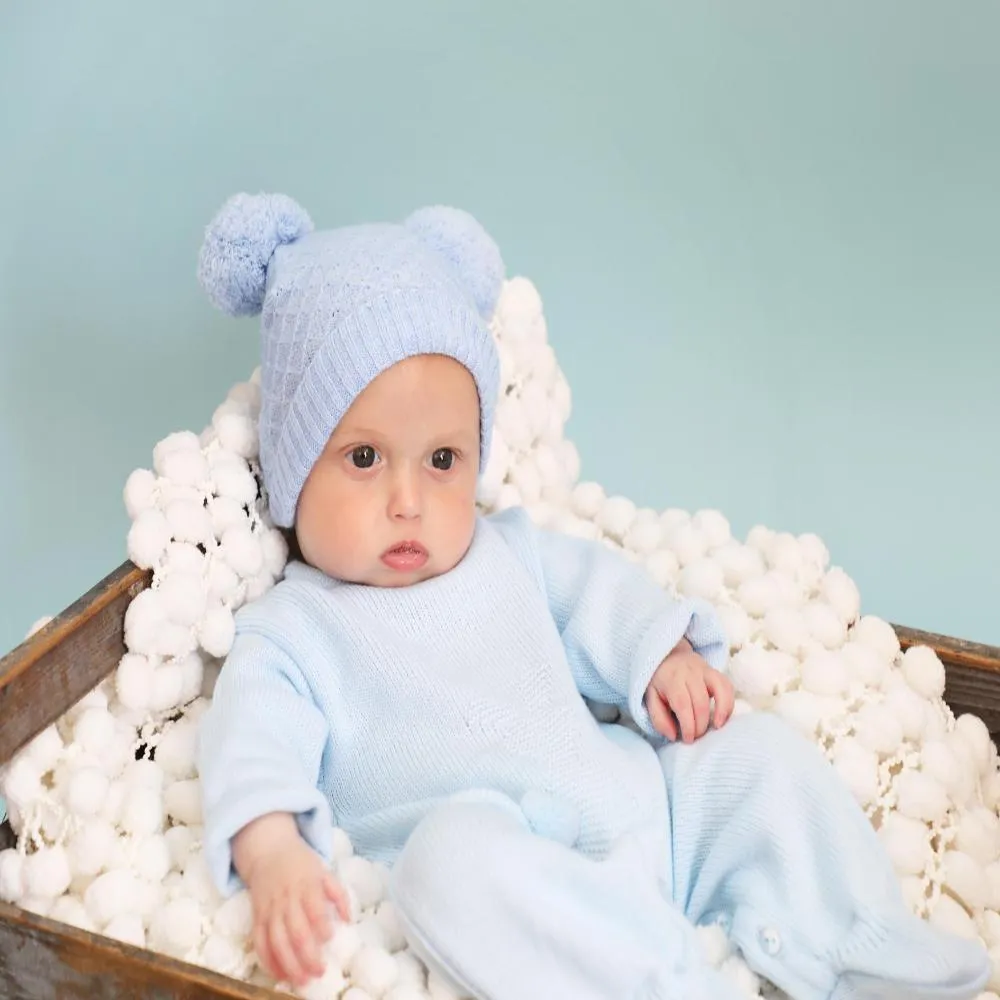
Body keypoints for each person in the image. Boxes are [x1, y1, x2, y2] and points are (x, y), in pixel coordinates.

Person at [195, 192, 989, 1000]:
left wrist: (660, 657)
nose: (409, 500)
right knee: (446, 866)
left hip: (648, 817)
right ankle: (662, 986)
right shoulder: (292, 632)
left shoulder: (508, 552)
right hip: (523, 880)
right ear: (295, 466)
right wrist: (273, 852)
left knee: (754, 760)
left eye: (442, 461)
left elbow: (600, 597)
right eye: (364, 458)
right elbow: (253, 745)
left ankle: (854, 943)